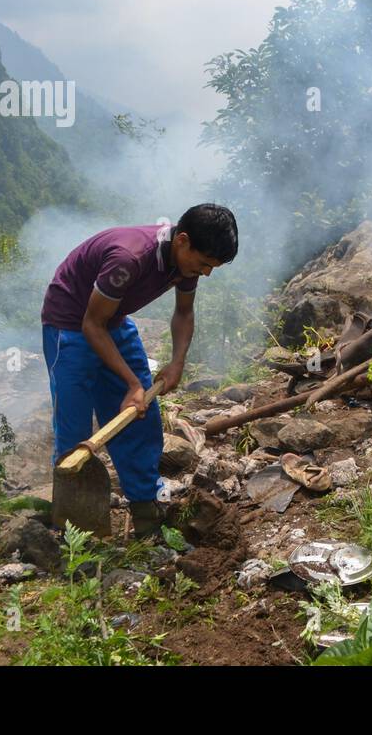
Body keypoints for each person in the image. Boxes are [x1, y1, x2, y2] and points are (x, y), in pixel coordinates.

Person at [40, 203, 238, 537]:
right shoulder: (128, 259)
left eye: (213, 267)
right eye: (204, 264)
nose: (206, 273)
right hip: (71, 326)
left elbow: (184, 313)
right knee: (74, 428)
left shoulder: (185, 264)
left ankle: (146, 511)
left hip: (112, 321)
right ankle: (75, 532)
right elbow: (91, 325)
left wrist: (177, 363)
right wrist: (132, 382)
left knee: (140, 416)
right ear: (183, 241)